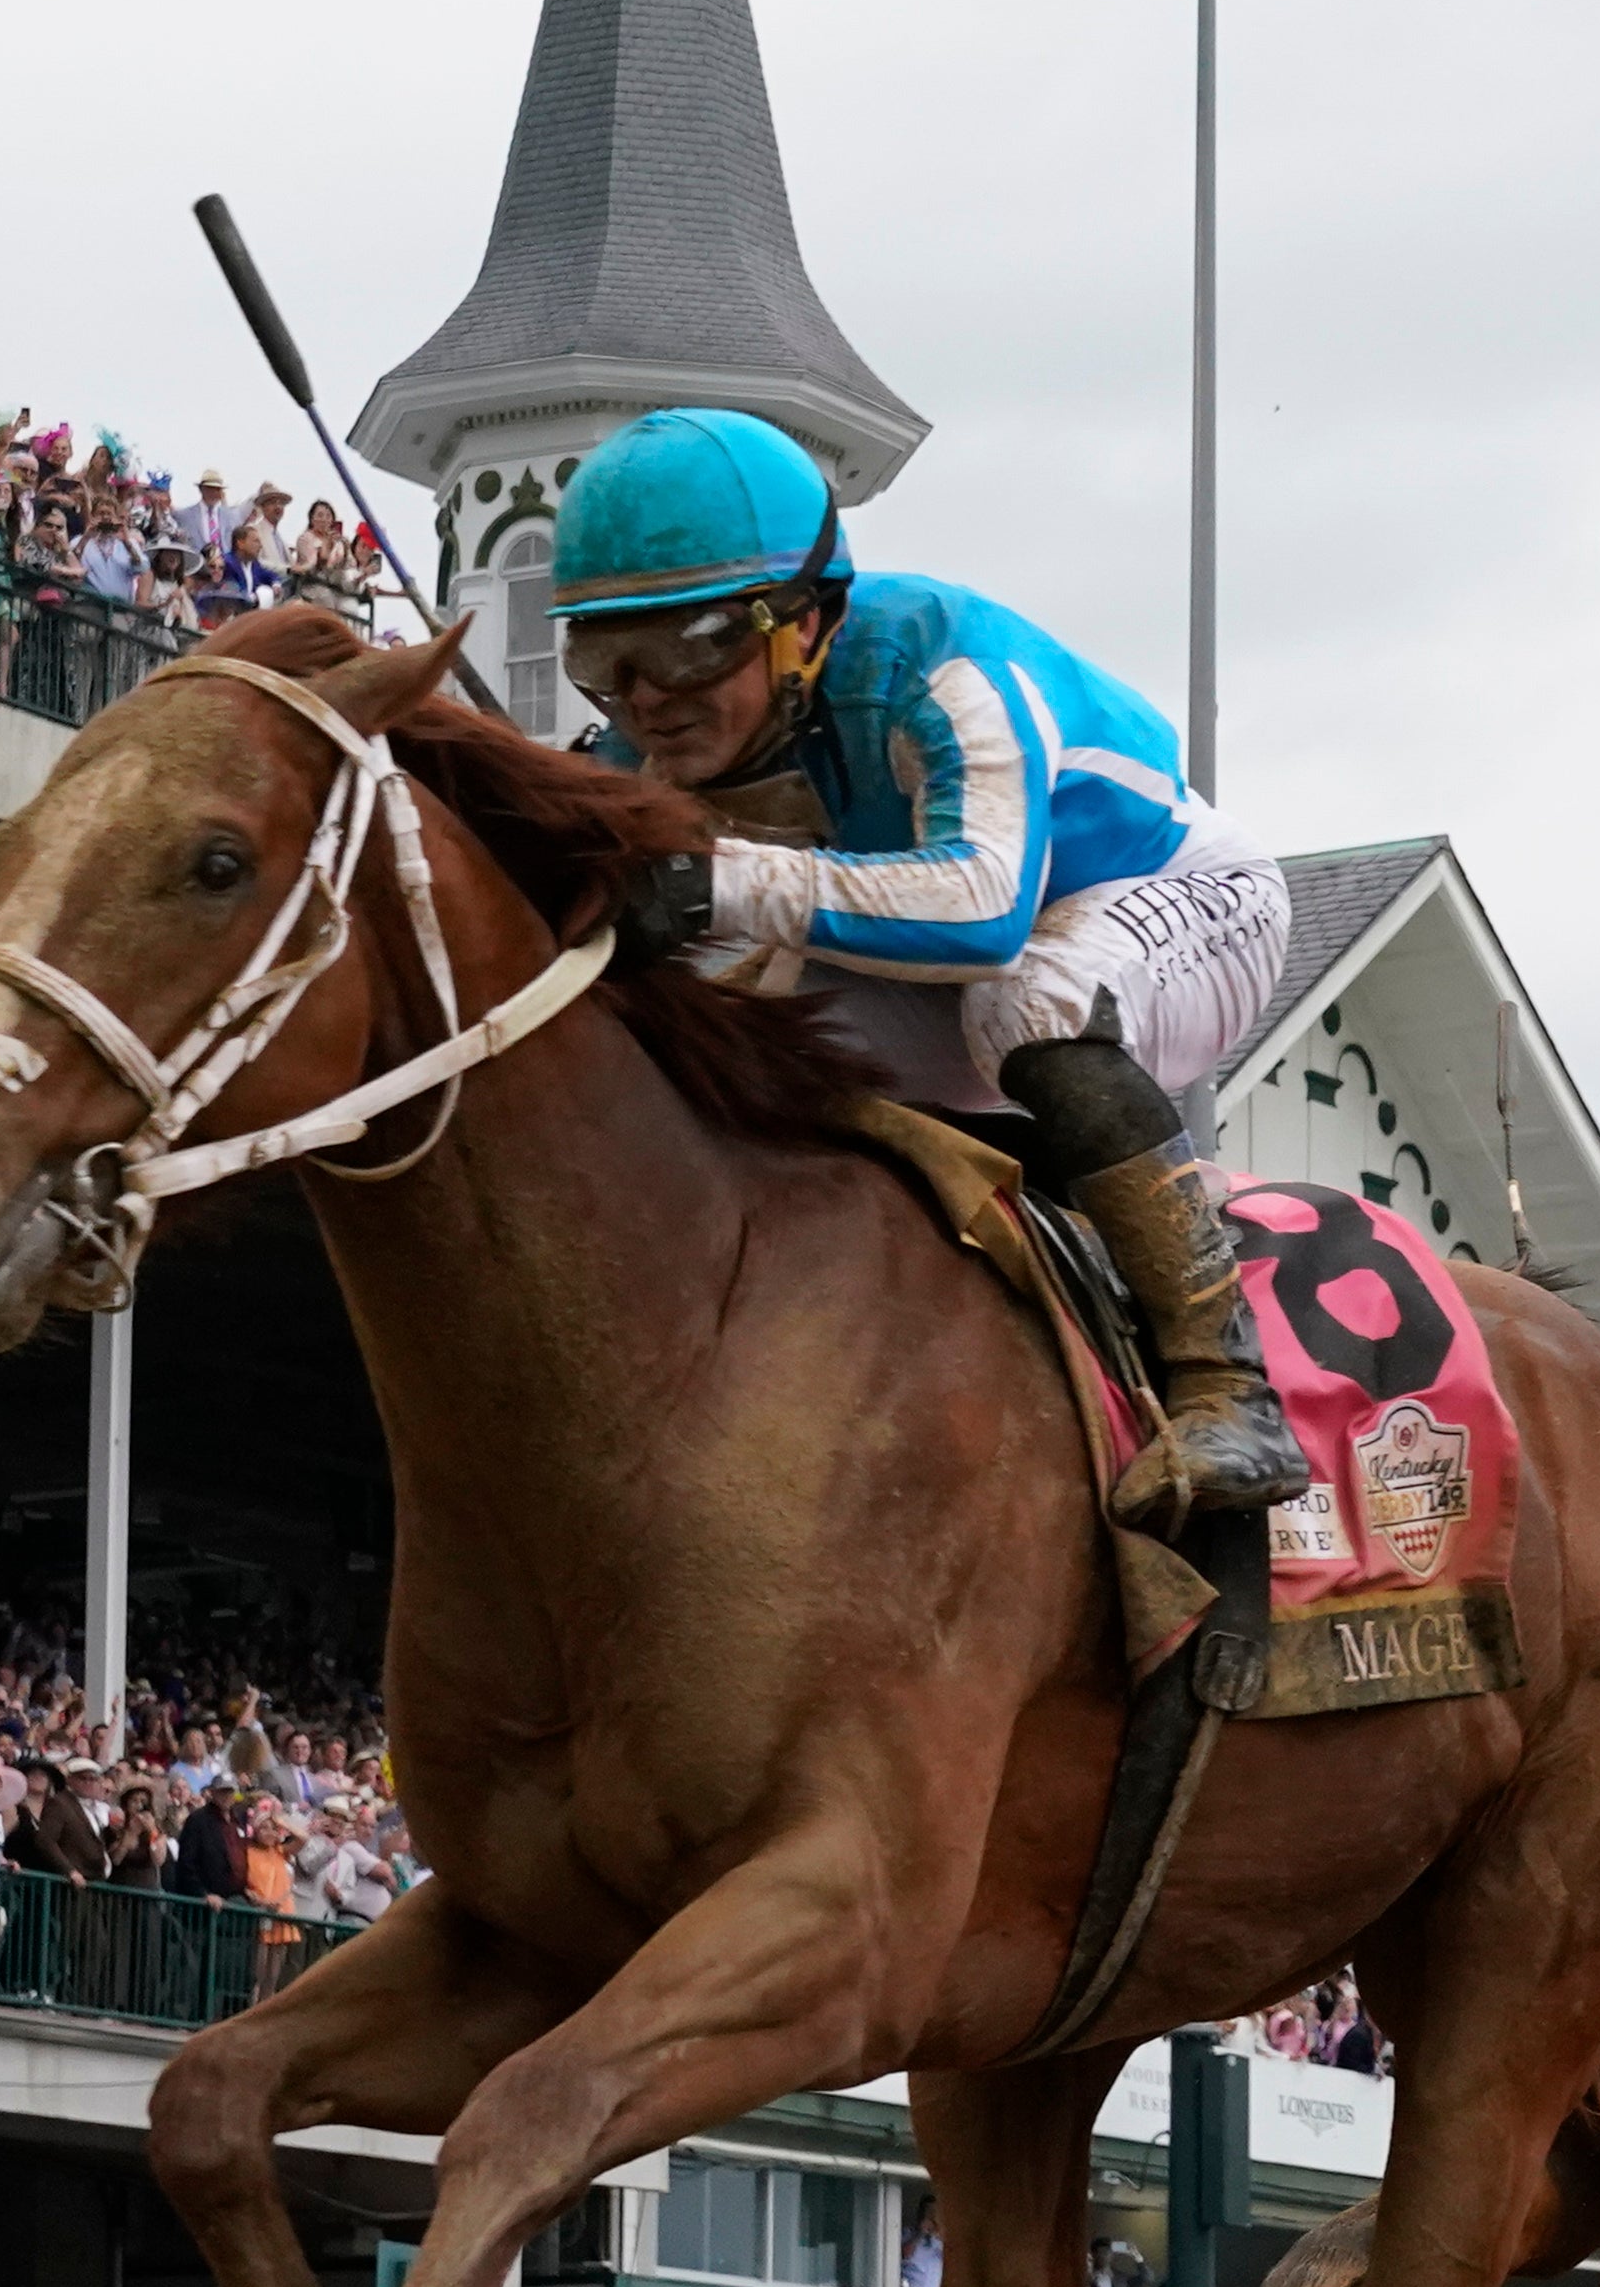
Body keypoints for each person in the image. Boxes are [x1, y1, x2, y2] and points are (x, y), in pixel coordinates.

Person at [550, 404, 1303, 1525]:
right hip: (961, 967)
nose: (649, 697)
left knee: (1031, 998)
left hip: (1176, 901)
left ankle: (1225, 1387)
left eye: (689, 645)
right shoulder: (640, 742)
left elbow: (986, 910)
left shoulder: (941, 662)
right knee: (710, 1015)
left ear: (804, 621)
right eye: (606, 658)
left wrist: (718, 876)